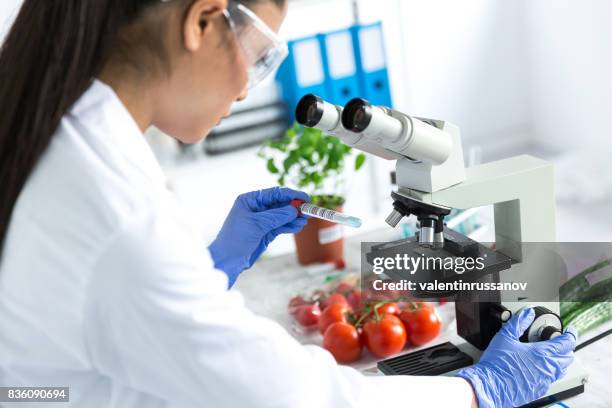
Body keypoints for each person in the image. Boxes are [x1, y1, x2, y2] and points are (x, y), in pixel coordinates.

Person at [0, 0, 576, 407]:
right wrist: (479, 391)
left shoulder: (54, 127)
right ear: (203, 20)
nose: (248, 88)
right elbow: (292, 397)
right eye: (260, 57)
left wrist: (209, 269)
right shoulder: (120, 215)